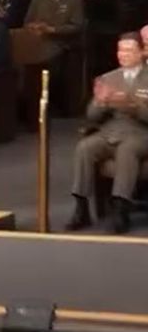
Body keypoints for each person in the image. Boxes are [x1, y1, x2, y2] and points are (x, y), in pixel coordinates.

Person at [67, 33, 148, 234]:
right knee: (85, 147)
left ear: (141, 53)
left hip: (141, 133)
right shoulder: (108, 78)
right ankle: (81, 209)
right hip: (111, 131)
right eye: (120, 50)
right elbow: (91, 116)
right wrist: (100, 102)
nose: (123, 55)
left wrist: (132, 106)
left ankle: (121, 210)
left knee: (127, 150)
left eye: (129, 50)